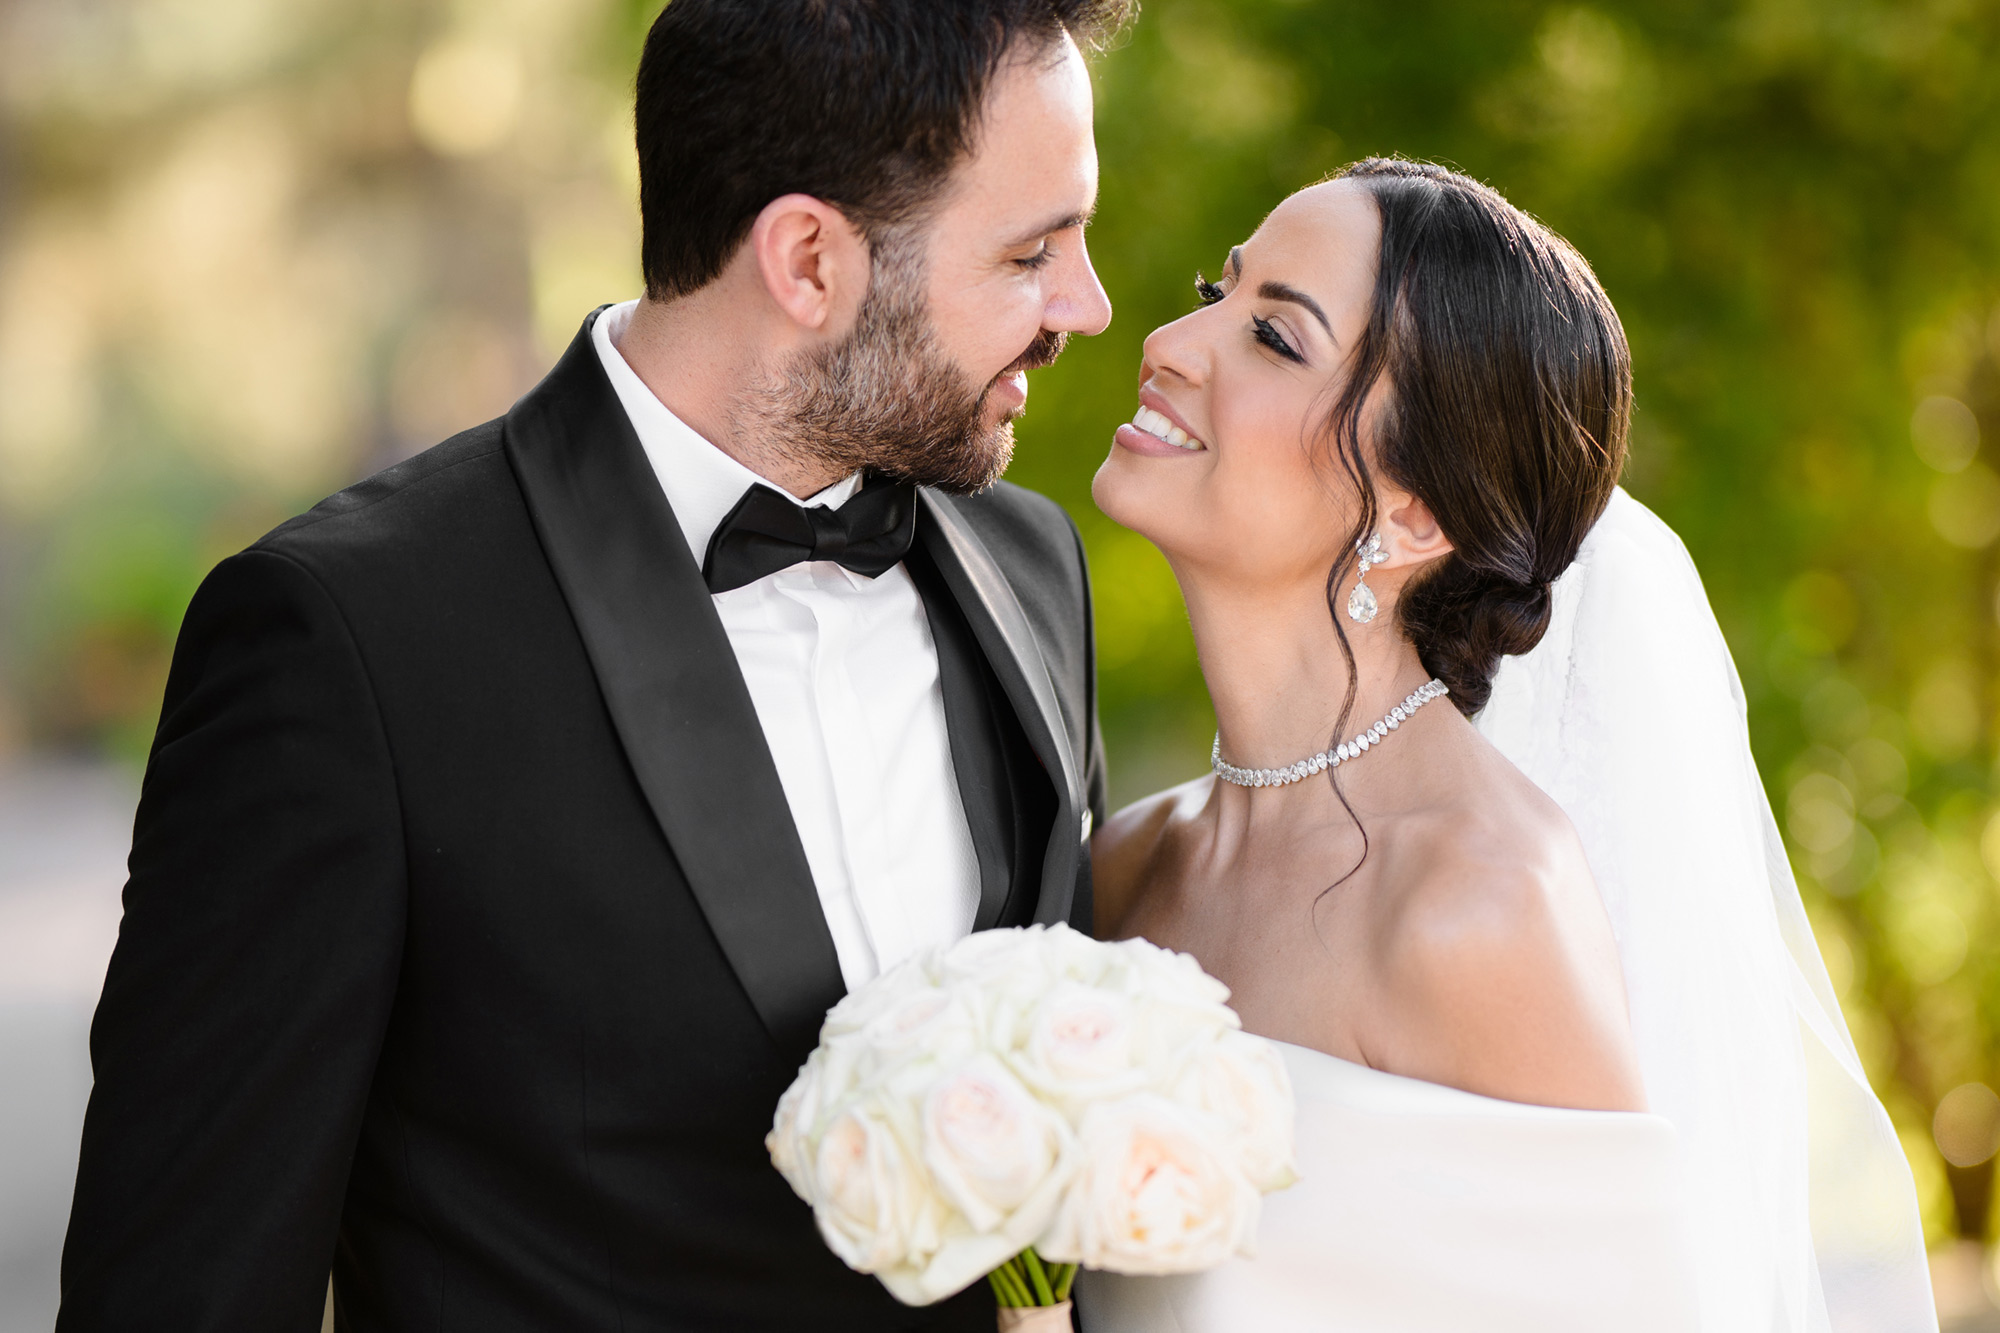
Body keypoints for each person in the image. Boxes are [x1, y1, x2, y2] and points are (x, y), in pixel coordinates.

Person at [56, 2, 1127, 1329]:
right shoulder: (352, 637)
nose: (1087, 305)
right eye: (1032, 251)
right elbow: (183, 1288)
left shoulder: (1030, 568)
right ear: (806, 260)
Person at [1076, 159, 1935, 1331]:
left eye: (1273, 336)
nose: (1172, 340)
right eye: (1214, 292)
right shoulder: (1124, 863)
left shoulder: (1473, 902)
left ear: (1417, 512)